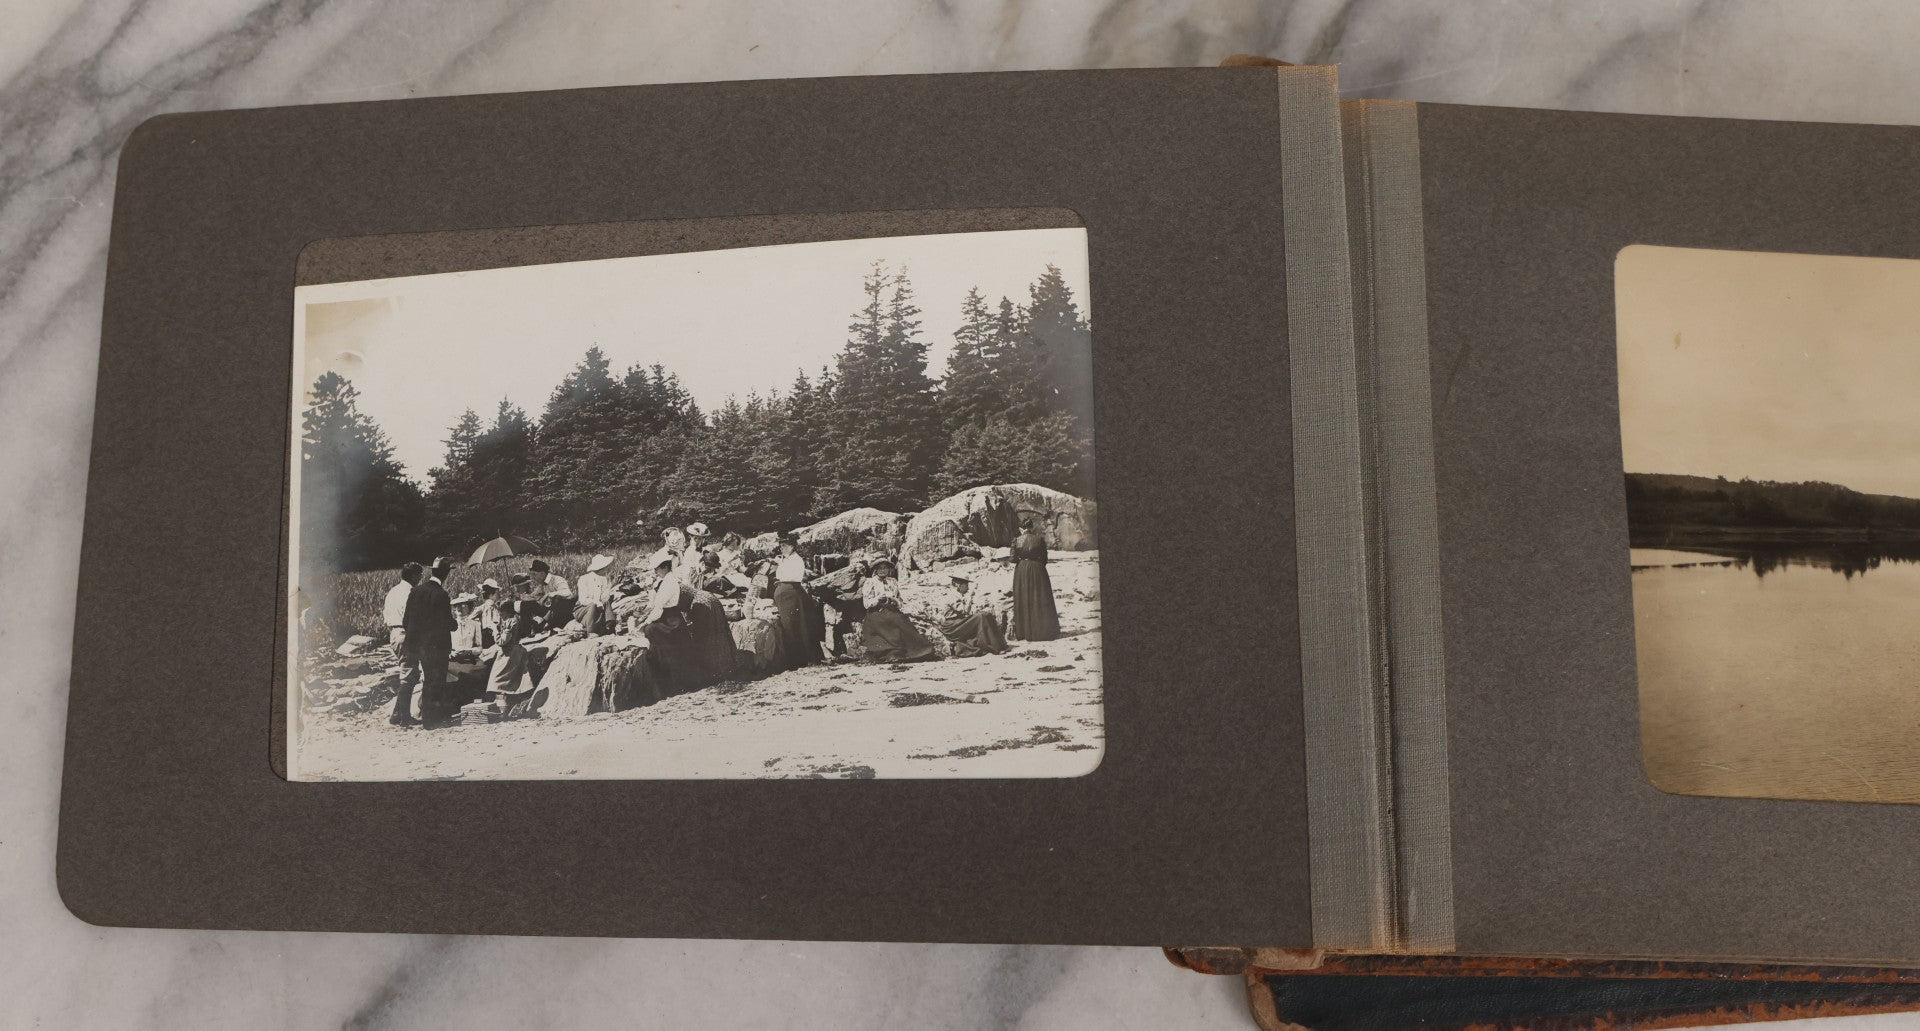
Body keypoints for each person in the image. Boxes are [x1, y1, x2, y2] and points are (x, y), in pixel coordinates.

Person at [403, 557, 459, 726]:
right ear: (446, 574)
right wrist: (455, 623)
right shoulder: (441, 595)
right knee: (437, 681)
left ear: (432, 571)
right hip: (438, 647)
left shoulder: (416, 591)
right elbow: (447, 623)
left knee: (427, 679)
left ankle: (427, 718)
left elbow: (406, 621)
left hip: (419, 646)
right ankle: (434, 719)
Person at [858, 560, 937, 663]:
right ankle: (895, 651)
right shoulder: (870, 582)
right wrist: (878, 599)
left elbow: (899, 599)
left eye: (885, 568)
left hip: (892, 610)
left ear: (889, 569)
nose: (883, 570)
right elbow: (867, 604)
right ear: (876, 570)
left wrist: (895, 601)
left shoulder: (893, 581)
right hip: (876, 613)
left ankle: (922, 650)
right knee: (896, 620)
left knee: (902, 620)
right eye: (880, 568)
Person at [771, 532, 821, 669]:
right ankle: (794, 659)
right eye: (781, 546)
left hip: (791, 593)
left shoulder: (796, 560)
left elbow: (793, 577)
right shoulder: (785, 559)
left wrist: (779, 569)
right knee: (788, 626)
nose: (782, 548)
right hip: (784, 593)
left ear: (792, 546)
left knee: (793, 626)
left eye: (785, 546)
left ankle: (799, 659)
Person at [1009, 516, 1061, 641]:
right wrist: (1037, 564)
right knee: (1040, 598)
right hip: (1038, 569)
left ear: (1022, 528)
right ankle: (1043, 631)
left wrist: (1022, 561)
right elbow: (1044, 559)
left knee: (1023, 598)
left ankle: (1023, 632)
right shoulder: (1039, 540)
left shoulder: (1016, 540)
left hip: (1022, 570)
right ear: (1032, 527)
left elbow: (1012, 559)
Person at [385, 562, 424, 726]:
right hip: (406, 633)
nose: (421, 579)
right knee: (408, 676)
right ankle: (405, 718)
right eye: (420, 576)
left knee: (408, 673)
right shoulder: (410, 592)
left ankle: (397, 713)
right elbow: (412, 618)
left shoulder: (393, 592)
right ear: (414, 576)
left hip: (394, 633)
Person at [938, 572, 1008, 657]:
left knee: (986, 615)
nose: (968, 588)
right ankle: (991, 647)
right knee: (980, 617)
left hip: (959, 623)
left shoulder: (958, 595)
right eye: (966, 585)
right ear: (958, 585)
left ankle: (999, 645)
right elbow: (965, 610)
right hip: (952, 626)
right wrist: (970, 597)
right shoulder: (952, 596)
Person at [528, 559, 575, 630]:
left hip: (563, 611)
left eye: (534, 574)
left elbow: (567, 592)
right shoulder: (542, 584)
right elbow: (532, 596)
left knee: (557, 598)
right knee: (525, 604)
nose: (533, 578)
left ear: (542, 573)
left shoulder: (557, 579)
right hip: (550, 611)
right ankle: (527, 630)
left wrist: (549, 594)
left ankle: (547, 624)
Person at [576, 554, 615, 634]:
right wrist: (597, 603)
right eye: (605, 567)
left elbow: (605, 597)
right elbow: (583, 600)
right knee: (593, 605)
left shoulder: (604, 579)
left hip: (599, 607)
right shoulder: (584, 579)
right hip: (584, 608)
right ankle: (591, 632)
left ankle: (610, 625)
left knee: (606, 602)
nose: (607, 568)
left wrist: (610, 585)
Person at [476, 578, 502, 647]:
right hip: (491, 638)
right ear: (491, 593)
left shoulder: (483, 608)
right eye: (497, 592)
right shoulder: (489, 607)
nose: (499, 595)